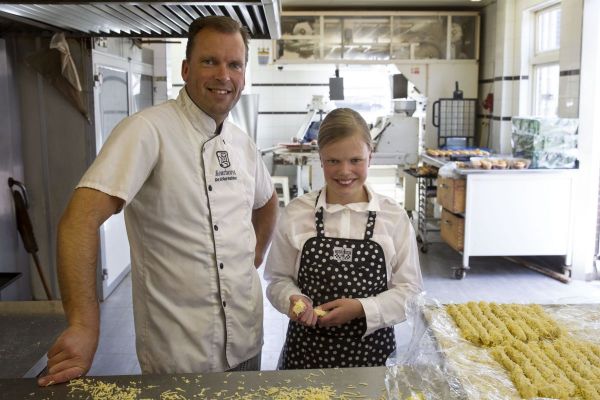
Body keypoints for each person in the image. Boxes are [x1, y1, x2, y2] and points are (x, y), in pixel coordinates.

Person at [38, 16, 278, 386]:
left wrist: (253, 257)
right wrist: (84, 325)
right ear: (186, 68)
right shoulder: (147, 130)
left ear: (245, 74)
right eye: (209, 61)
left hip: (247, 340)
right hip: (180, 351)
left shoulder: (241, 143)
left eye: (235, 65)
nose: (224, 75)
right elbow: (78, 221)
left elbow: (267, 202)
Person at [264, 108, 423, 369]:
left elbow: (410, 292)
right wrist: (292, 299)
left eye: (355, 160)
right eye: (333, 161)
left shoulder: (393, 217)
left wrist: (362, 308)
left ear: (370, 156)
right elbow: (277, 279)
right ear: (320, 159)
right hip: (306, 356)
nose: (345, 171)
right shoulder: (297, 213)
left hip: (373, 357)